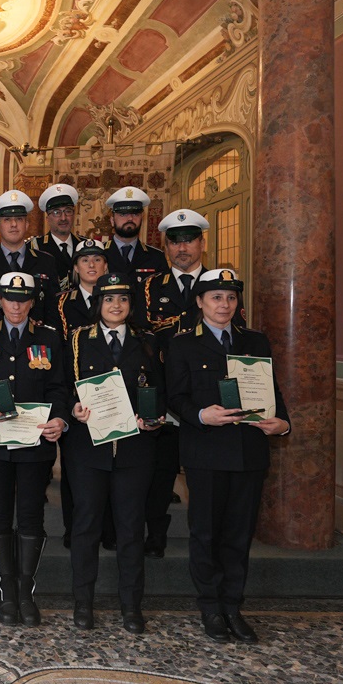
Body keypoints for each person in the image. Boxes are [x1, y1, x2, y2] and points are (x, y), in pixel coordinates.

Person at [165, 268, 290, 644]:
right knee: (206, 534)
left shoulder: (255, 342)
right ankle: (210, 608)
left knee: (239, 536)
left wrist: (282, 423)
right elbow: (175, 398)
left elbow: (273, 392)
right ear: (200, 302)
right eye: (216, 297)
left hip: (249, 452)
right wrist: (203, 415)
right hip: (206, 453)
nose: (224, 304)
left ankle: (233, 605)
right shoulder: (183, 344)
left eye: (231, 297)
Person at [0, 272, 70, 627]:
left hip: (35, 442)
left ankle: (27, 592)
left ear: (31, 302)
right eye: (9, 298)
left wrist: (58, 419)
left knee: (29, 516)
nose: (16, 305)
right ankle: (6, 592)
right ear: (0, 299)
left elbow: (59, 387)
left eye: (22, 299)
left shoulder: (50, 337)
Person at [65, 273, 164, 634]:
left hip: (135, 451)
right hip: (88, 450)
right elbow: (63, 387)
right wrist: (72, 410)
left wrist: (154, 417)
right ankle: (83, 603)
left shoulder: (148, 342)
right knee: (86, 526)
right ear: (98, 304)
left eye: (123, 299)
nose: (116, 305)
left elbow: (160, 390)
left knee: (130, 529)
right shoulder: (77, 340)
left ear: (131, 304)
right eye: (109, 299)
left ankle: (131, 606)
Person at [138, 209, 212, 559]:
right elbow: (143, 340)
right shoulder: (151, 287)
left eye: (189, 240)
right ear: (165, 246)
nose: (182, 248)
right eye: (174, 241)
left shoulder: (218, 284)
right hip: (165, 396)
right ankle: (155, 534)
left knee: (205, 474)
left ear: (201, 243)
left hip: (206, 398)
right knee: (159, 473)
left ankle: (206, 539)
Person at [49, 238, 112, 550]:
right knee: (75, 466)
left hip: (113, 395)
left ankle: (109, 529)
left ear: (105, 266)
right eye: (85, 260)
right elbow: (59, 349)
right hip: (75, 393)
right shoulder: (61, 303)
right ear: (74, 268)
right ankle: (74, 528)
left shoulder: (119, 299)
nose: (91, 265)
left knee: (113, 463)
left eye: (98, 260)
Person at [0, 190, 60, 326]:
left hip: (36, 341)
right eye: (7, 219)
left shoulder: (45, 262)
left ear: (27, 224)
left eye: (19, 219)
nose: (14, 224)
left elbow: (54, 308)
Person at [102, 186, 169, 287]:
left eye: (135, 214)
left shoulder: (156, 257)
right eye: (123, 214)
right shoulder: (99, 254)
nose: (130, 218)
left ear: (142, 219)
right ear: (112, 221)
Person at [31, 183, 85, 290]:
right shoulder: (35, 247)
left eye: (68, 211)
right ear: (48, 218)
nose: (63, 218)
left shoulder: (84, 245)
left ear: (74, 215)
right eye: (57, 213)